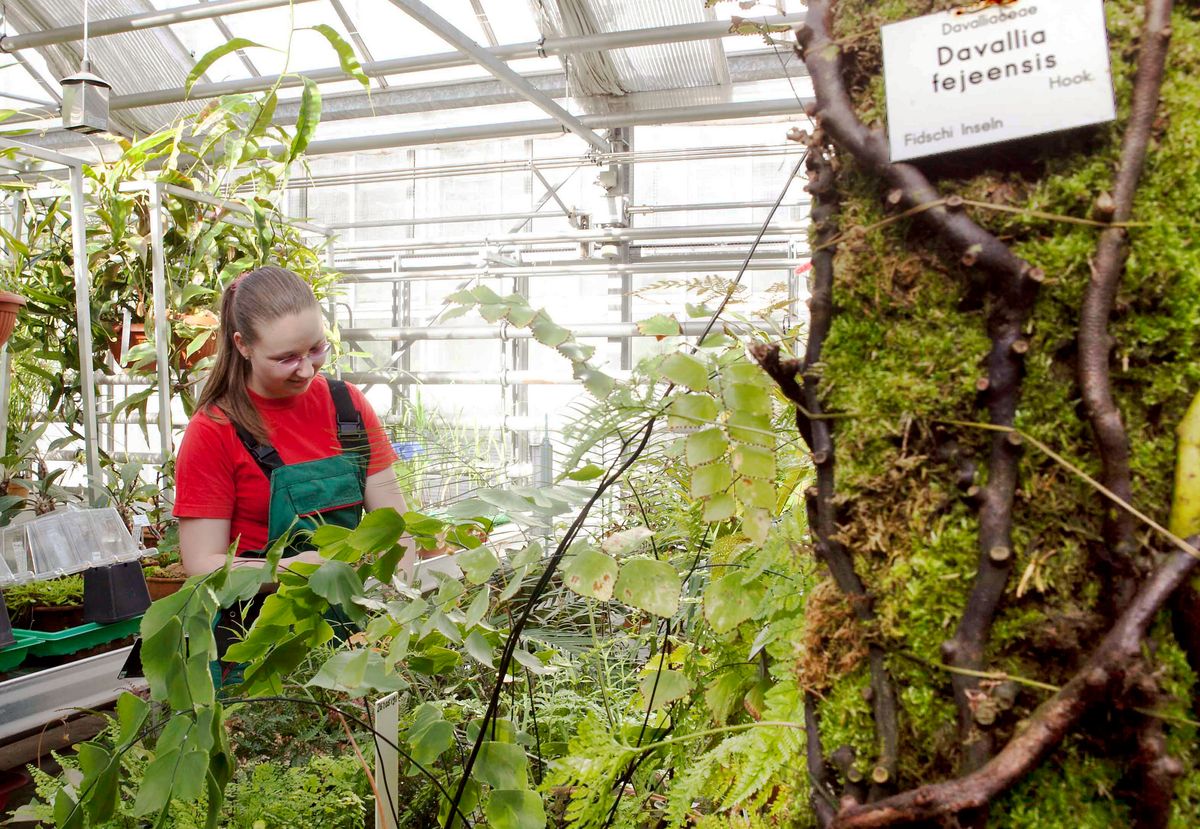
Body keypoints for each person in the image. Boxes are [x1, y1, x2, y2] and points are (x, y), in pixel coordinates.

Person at [174, 264, 418, 582]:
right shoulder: (213, 431)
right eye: (286, 358)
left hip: (353, 618)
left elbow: (396, 527)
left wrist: (397, 603)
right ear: (243, 344)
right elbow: (201, 563)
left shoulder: (349, 409)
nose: (306, 370)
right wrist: (295, 568)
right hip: (256, 622)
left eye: (316, 349)